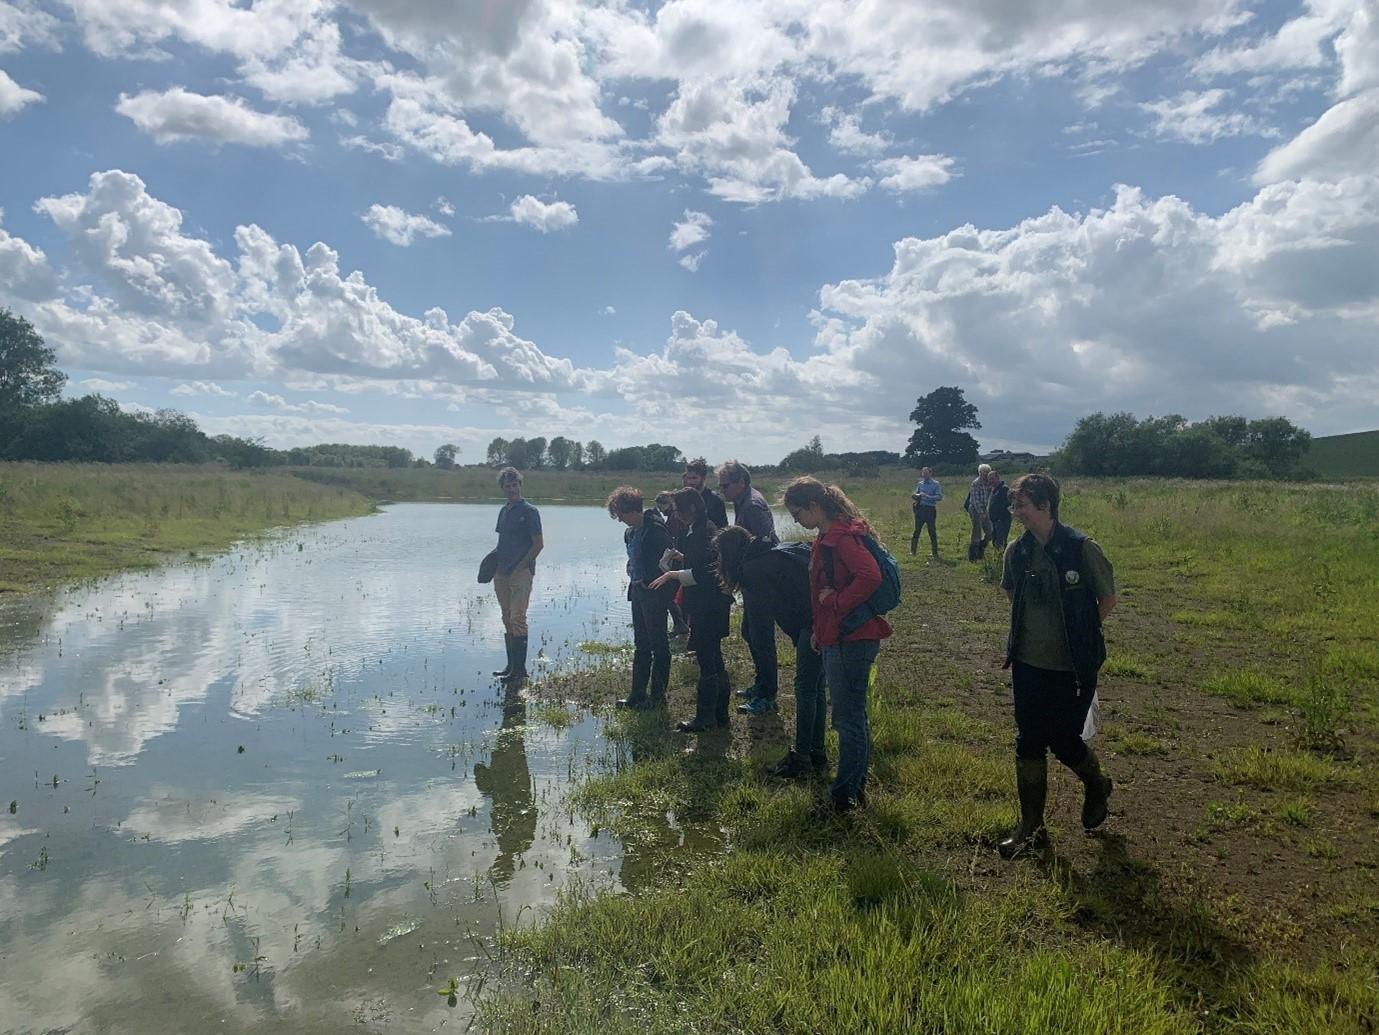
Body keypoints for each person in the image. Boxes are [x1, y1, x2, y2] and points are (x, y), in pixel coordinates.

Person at [998, 472, 1117, 859]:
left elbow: (1107, 599)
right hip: (1028, 663)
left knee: (1064, 740)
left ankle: (1096, 784)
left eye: (1022, 506)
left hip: (1072, 666)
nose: (1016, 512)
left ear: (1045, 506)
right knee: (1029, 741)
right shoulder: (1017, 551)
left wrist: (1078, 634)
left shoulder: (1082, 549)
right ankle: (1031, 829)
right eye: (1014, 506)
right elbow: (1012, 591)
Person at [782, 476, 892, 812]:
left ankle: (843, 797)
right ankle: (855, 788)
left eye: (797, 513)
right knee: (851, 717)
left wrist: (837, 603)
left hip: (852, 640)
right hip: (839, 636)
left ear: (814, 507)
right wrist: (820, 628)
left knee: (847, 720)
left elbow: (870, 576)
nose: (796, 521)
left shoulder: (842, 538)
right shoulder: (826, 537)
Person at [713, 526, 826, 777]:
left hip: (812, 624)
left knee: (805, 689)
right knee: (816, 688)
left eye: (720, 555)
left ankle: (802, 759)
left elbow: (773, 617)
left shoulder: (753, 570)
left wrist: (804, 633)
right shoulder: (766, 552)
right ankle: (817, 753)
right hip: (820, 618)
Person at [650, 487, 732, 733]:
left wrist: (673, 574)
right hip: (711, 603)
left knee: (708, 661)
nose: (675, 515)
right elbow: (703, 562)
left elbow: (706, 573)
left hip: (708, 605)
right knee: (714, 658)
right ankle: (720, 715)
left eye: (678, 510)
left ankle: (705, 718)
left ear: (692, 508)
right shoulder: (701, 529)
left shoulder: (703, 532)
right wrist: (681, 557)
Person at [717, 460, 781, 715]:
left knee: (761, 637)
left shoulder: (752, 505)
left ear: (740, 483)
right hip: (752, 578)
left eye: (725, 485)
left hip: (762, 581)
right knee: (749, 633)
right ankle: (762, 683)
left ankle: (768, 695)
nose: (721, 490)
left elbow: (767, 543)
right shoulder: (742, 501)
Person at [607, 487, 676, 711]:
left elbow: (669, 560)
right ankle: (637, 694)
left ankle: (657, 697)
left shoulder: (655, 530)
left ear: (632, 510)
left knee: (659, 644)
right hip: (637, 591)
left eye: (621, 515)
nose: (619, 520)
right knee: (641, 644)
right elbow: (635, 557)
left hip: (654, 593)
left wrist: (655, 584)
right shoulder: (631, 532)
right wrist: (631, 567)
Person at [491, 467, 543, 683]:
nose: (511, 489)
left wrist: (521, 567)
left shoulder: (530, 511)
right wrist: (492, 564)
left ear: (520, 485)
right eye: (507, 486)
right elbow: (501, 542)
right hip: (501, 572)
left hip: (521, 573)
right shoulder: (504, 511)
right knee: (507, 618)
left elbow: (538, 545)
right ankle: (511, 666)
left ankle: (520, 671)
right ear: (502, 488)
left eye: (515, 485)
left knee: (517, 618)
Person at [655, 491, 690, 636]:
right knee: (675, 594)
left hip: (678, 560)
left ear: (669, 503)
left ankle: (681, 625)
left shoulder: (674, 519)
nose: (661, 510)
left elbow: (674, 539)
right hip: (678, 559)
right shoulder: (672, 518)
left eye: (661, 506)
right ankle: (681, 625)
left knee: (673, 595)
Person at [682, 456, 729, 530]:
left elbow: (724, 529)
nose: (690, 482)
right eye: (688, 478)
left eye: (694, 478)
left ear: (703, 478)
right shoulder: (683, 499)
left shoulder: (715, 501)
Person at [910, 466, 942, 557]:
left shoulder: (936, 484)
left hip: (930, 509)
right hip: (920, 509)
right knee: (917, 530)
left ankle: (934, 552)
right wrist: (916, 495)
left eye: (926, 473)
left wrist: (928, 497)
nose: (924, 475)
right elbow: (915, 493)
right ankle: (913, 551)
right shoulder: (920, 484)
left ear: (930, 474)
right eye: (923, 473)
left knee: (932, 530)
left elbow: (939, 497)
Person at [965, 463, 994, 561]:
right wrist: (981, 513)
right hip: (975, 509)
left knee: (990, 532)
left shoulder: (989, 483)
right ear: (980, 473)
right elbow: (975, 500)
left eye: (988, 472)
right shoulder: (975, 483)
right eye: (984, 472)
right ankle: (973, 554)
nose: (986, 474)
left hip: (985, 509)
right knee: (977, 531)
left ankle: (982, 546)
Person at [986, 469, 1011, 551]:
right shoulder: (993, 490)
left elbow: (1008, 504)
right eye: (989, 479)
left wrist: (1001, 517)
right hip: (994, 521)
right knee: (995, 541)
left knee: (1001, 542)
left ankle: (1004, 557)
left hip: (1002, 520)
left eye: (992, 479)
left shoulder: (1004, 489)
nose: (991, 481)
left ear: (997, 478)